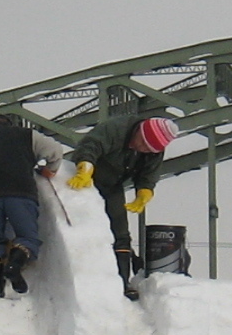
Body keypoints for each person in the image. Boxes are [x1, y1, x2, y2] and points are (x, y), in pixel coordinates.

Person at [66, 110, 178, 298]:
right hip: (85, 179)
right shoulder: (116, 128)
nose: (140, 147)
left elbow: (148, 174)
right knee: (80, 227)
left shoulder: (154, 150)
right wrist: (85, 166)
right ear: (139, 130)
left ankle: (122, 281)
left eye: (146, 148)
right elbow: (91, 145)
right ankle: (79, 280)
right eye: (141, 141)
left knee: (121, 233)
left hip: (113, 186)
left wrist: (144, 191)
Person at [0, 111, 62, 299]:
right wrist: (50, 169)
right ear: (11, 125)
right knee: (27, 236)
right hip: (20, 193)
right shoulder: (27, 135)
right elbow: (55, 150)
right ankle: (14, 266)